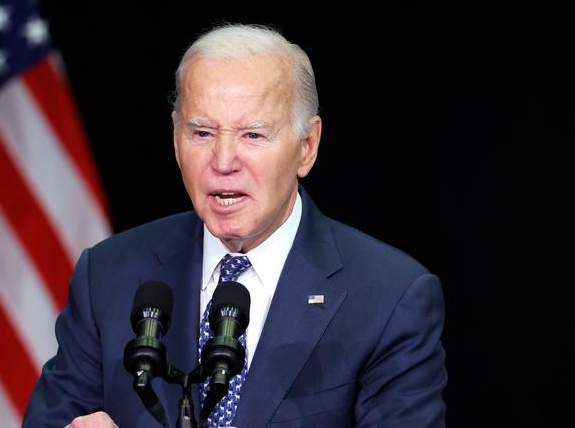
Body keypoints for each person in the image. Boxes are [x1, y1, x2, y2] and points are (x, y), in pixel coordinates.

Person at [22, 24, 447, 427]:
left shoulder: (389, 297)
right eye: (203, 133)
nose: (223, 162)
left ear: (307, 146)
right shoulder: (109, 275)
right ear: (175, 139)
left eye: (252, 136)